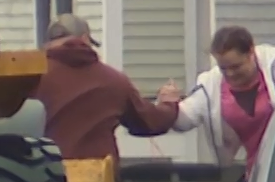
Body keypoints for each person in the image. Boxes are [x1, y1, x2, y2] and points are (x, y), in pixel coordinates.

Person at [172, 26, 275, 172]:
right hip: (257, 174)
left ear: (251, 52)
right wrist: (169, 104)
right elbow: (183, 120)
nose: (230, 73)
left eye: (236, 66)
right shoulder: (212, 84)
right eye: (224, 68)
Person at [29, 12, 185, 161]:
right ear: (85, 39)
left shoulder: (29, 78)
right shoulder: (113, 80)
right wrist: (169, 104)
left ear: (48, 43)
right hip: (97, 179)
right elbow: (149, 121)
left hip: (44, 176)